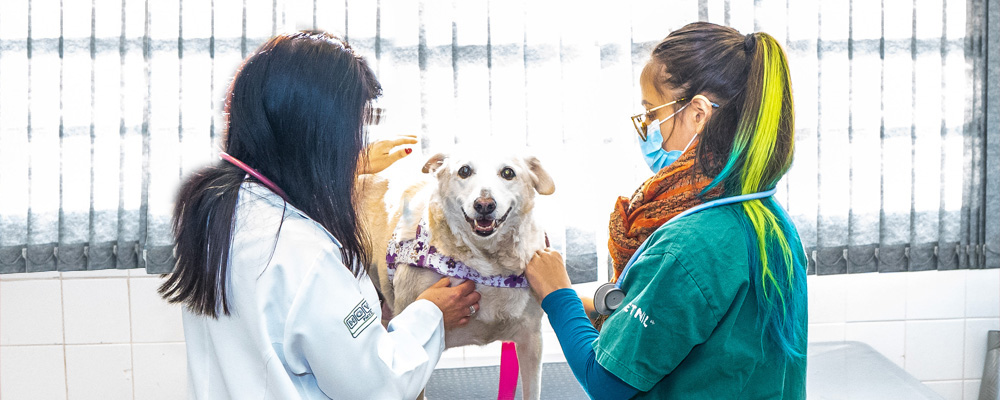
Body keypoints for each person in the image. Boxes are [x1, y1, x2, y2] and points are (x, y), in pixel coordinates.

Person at [158, 31, 481, 399]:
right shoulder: (303, 255)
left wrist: (348, 172)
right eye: (351, 132)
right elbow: (377, 384)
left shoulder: (221, 213)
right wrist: (430, 315)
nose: (356, 145)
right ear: (319, 136)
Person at [525, 22, 808, 399]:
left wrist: (556, 295)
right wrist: (595, 304)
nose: (647, 130)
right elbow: (704, 328)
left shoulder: (687, 244)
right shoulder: (770, 220)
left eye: (651, 114)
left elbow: (606, 383)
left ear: (698, 115)